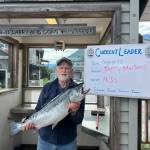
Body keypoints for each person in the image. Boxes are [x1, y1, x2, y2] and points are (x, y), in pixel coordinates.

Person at [23, 57, 85, 150]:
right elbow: (38, 110)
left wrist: (74, 111)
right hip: (45, 140)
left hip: (67, 141)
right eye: (61, 68)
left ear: (71, 71)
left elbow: (78, 120)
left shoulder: (77, 91)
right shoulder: (47, 87)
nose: (64, 71)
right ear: (56, 70)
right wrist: (28, 121)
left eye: (67, 68)